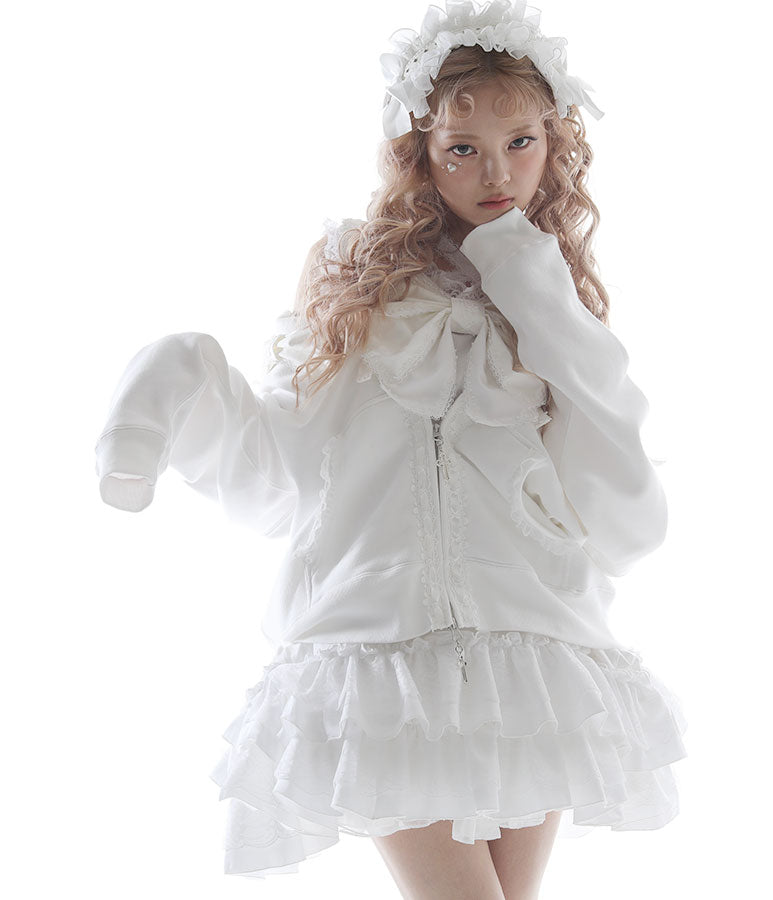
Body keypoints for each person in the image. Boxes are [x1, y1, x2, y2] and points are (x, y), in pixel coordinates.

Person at [94, 0, 688, 892]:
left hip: (532, 650)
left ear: (554, 142)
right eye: (464, 148)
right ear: (419, 148)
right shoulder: (354, 269)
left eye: (521, 143)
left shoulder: (551, 281)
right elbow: (290, 446)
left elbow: (605, 455)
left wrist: (527, 275)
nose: (497, 173)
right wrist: (170, 394)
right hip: (381, 655)